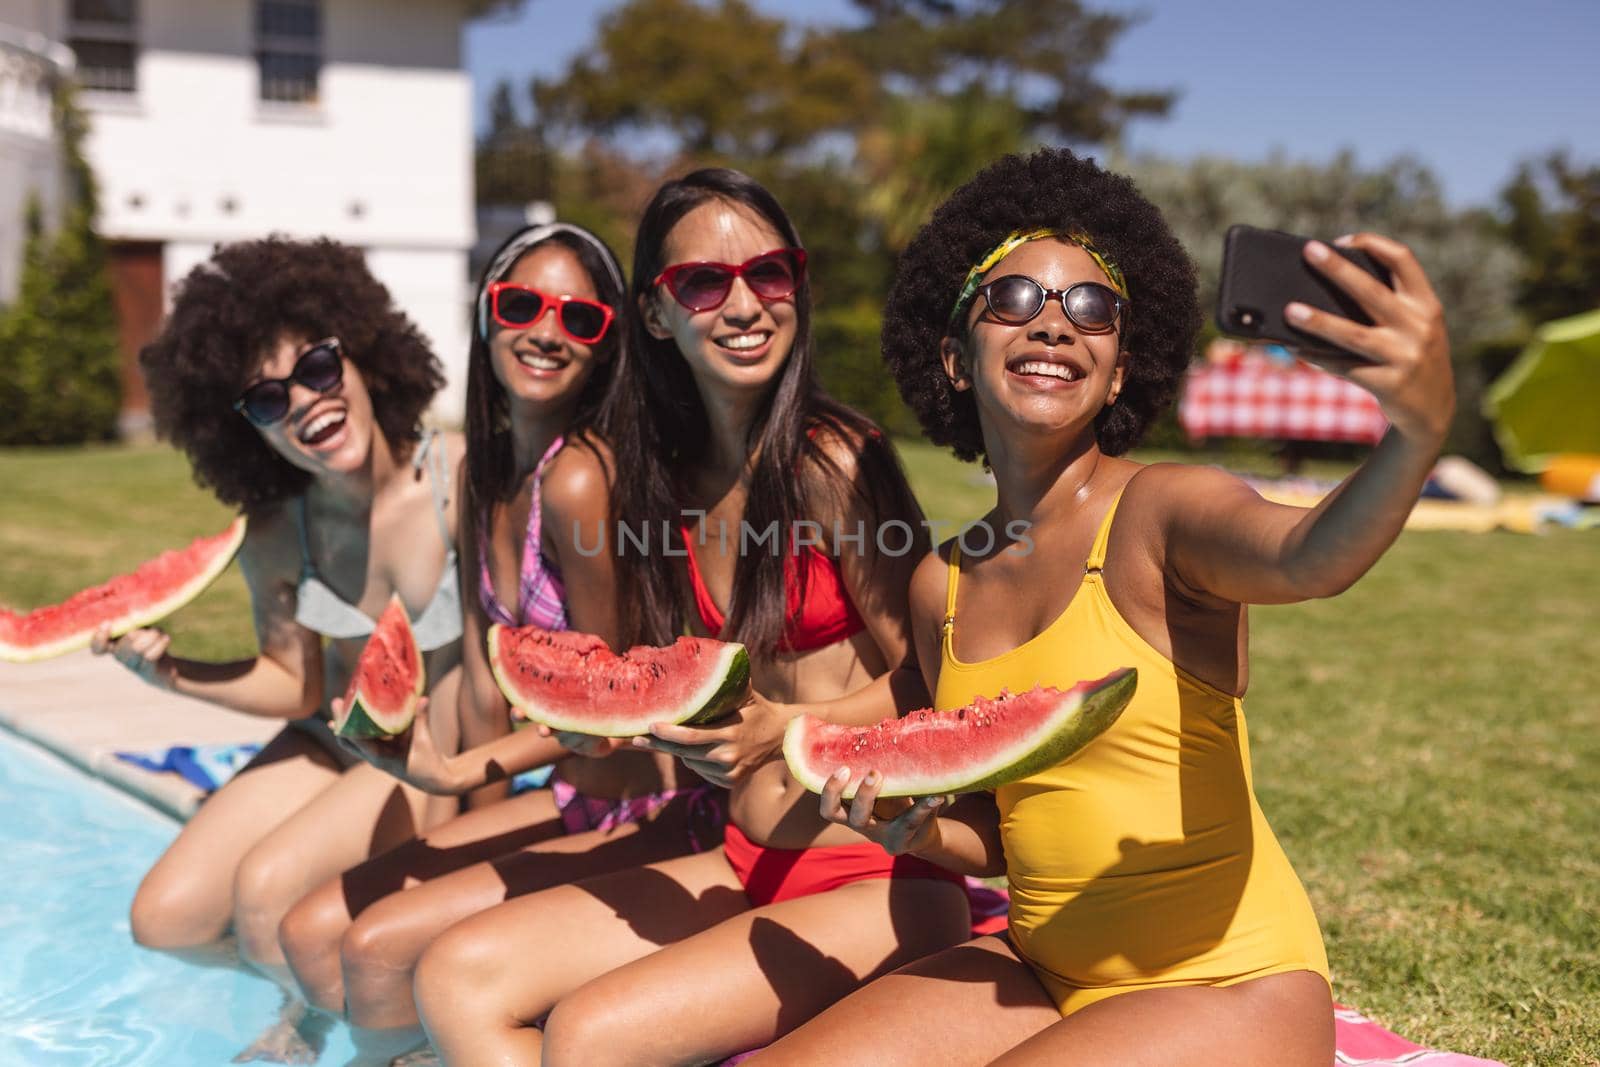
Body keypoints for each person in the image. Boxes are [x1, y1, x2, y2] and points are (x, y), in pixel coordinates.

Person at [751, 148, 1456, 1066]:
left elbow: (1310, 555)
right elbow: (1003, 833)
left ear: (1120, 369)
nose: (1054, 324)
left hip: (1229, 982)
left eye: (1092, 307)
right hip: (1043, 968)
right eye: (1013, 300)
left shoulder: (1165, 512)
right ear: (955, 357)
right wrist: (911, 825)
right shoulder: (942, 584)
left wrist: (1418, 431)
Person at [411, 169, 975, 1067]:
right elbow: (672, 707)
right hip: (742, 854)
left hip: (877, 869)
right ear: (659, 315)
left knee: (588, 1036)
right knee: (455, 975)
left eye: (772, 273)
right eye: (705, 282)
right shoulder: (666, 484)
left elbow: (936, 686)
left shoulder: (835, 459)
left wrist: (788, 728)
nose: (745, 303)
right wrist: (603, 734)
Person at [274, 222, 723, 1064]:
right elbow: (491, 675)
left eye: (579, 319)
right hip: (560, 796)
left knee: (373, 950)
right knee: (311, 927)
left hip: (648, 809)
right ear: (486, 315)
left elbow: (608, 710)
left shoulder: (579, 477)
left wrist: (451, 775)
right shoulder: (489, 468)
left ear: (605, 347)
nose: (547, 331)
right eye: (522, 304)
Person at [95, 237, 466, 1062]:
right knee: (163, 918)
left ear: (366, 358)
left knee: (266, 890)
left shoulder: (459, 482)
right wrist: (172, 671)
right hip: (328, 740)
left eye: (318, 368)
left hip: (425, 752)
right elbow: (293, 686)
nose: (301, 400)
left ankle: (337, 1032)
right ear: (247, 432)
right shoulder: (278, 530)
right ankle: (311, 984)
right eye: (265, 400)